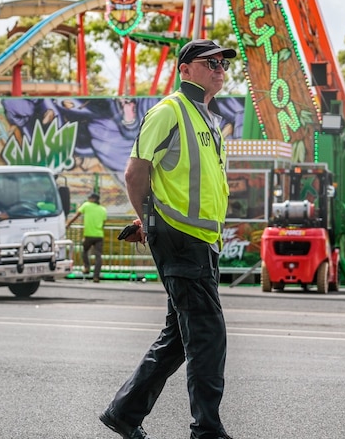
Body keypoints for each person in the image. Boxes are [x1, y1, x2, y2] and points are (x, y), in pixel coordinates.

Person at [100, 38, 235, 439]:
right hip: (180, 239)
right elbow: (135, 172)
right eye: (209, 62)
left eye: (222, 63)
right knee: (208, 333)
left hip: (202, 241)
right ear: (185, 69)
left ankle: (124, 412)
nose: (219, 68)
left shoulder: (207, 120)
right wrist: (149, 221)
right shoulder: (169, 111)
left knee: (180, 335)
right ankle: (206, 430)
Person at [66, 192, 107, 282]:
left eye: (89, 198)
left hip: (88, 234)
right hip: (99, 235)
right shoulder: (103, 209)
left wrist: (68, 223)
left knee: (85, 251)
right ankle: (96, 277)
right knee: (98, 256)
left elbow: (77, 215)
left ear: (93, 199)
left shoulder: (86, 205)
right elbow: (103, 224)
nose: (88, 199)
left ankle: (87, 267)